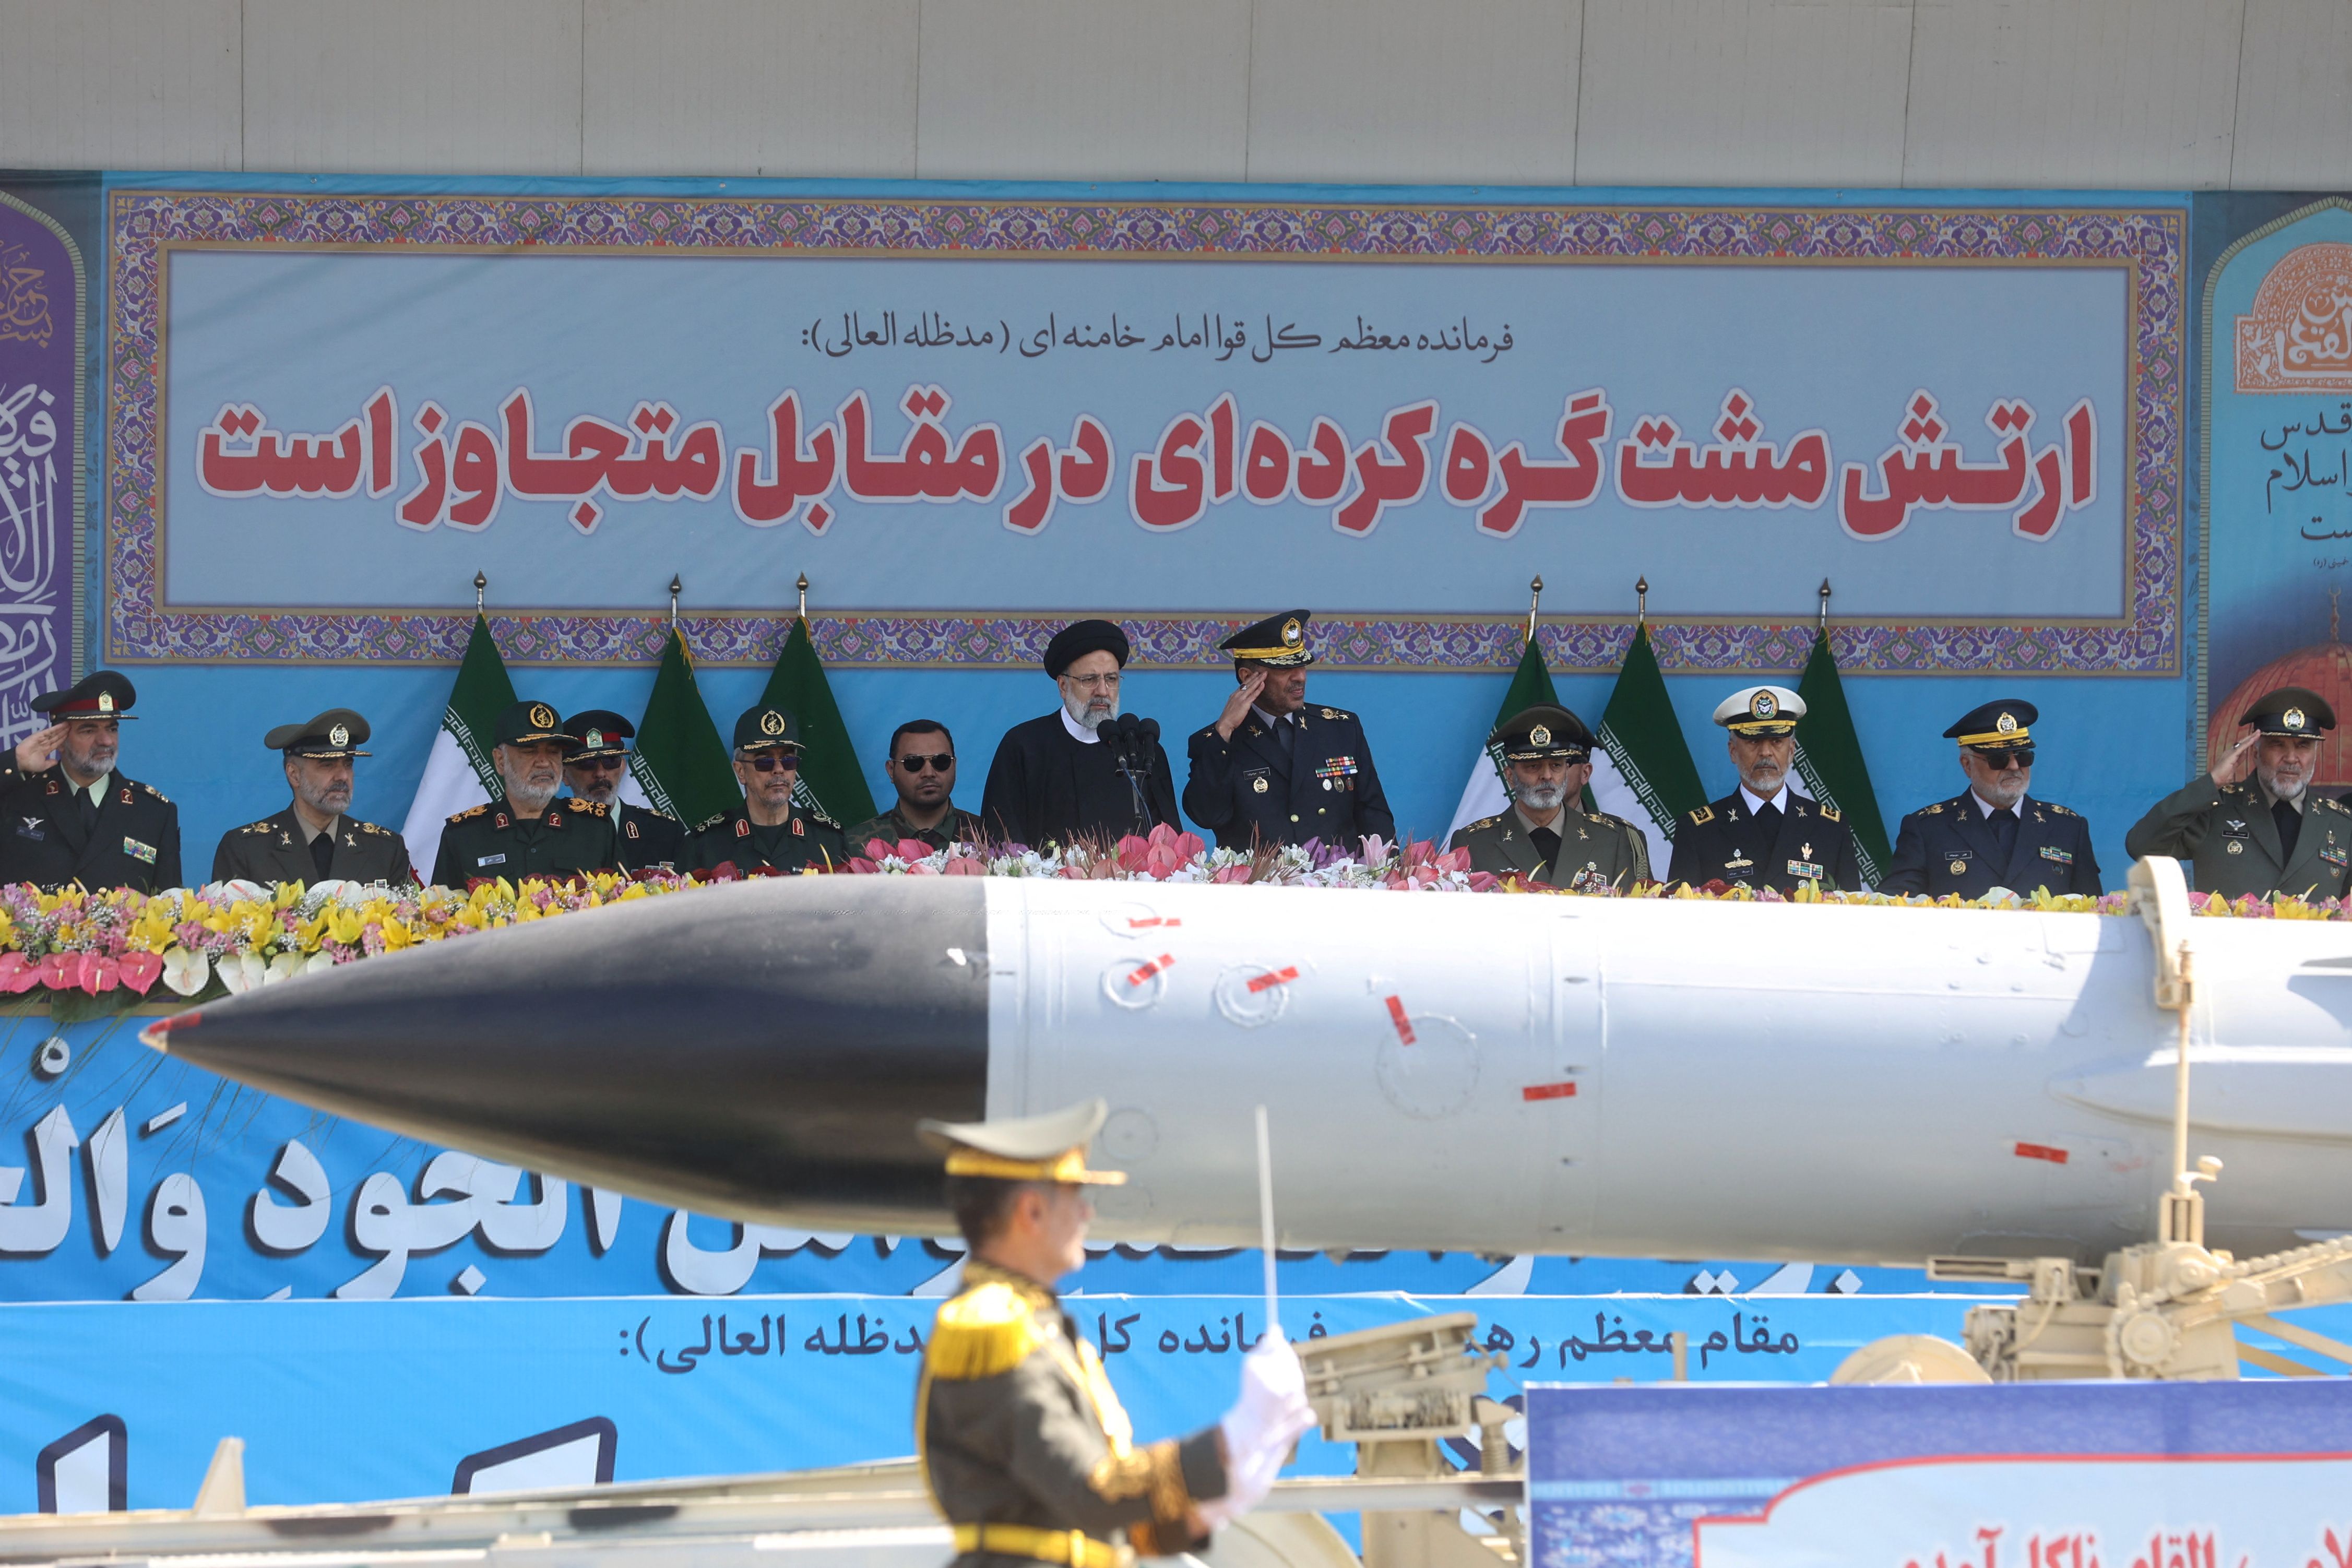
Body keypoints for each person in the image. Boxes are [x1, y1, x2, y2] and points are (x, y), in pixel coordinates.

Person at [915, 1099, 1314, 1566]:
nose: (1087, 1215)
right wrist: (1231, 1438)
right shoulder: (993, 1328)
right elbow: (1090, 1490)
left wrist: (1210, 1507)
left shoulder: (1038, 1326)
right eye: (1075, 1197)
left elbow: (1110, 1528)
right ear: (1032, 1212)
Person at [1183, 610, 1395, 852]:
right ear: (1248, 677)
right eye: (1285, 669)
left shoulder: (1342, 728)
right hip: (1261, 885)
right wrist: (1225, 730)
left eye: (1303, 666)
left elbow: (1373, 814)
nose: (1300, 677)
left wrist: (1387, 876)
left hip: (1335, 883)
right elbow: (1208, 816)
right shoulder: (1217, 741)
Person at [2125, 684, 2352, 900]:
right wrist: (2212, 783)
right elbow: (2142, 847)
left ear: (2316, 753)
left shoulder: (2341, 824)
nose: (2291, 758)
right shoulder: (2215, 809)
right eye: (2277, 744)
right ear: (2255, 751)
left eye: (2303, 745)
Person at [981, 619, 1178, 848]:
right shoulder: (1024, 746)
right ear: (1063, 686)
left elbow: (1169, 843)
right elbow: (1003, 837)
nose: (1103, 691)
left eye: (1111, 679)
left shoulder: (1142, 750)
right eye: (1090, 679)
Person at [1880, 700, 2099, 898]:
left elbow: (2093, 911)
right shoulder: (1927, 829)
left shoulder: (2068, 828)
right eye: (1999, 759)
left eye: (2023, 757)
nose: (2014, 767)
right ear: (1967, 765)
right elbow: (1897, 907)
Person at [1668, 685, 1862, 893]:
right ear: (1733, 751)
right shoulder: (1698, 831)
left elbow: (1852, 914)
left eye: (1777, 741)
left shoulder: (1831, 828)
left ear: (1792, 751)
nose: (1766, 752)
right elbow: (1680, 916)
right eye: (1754, 741)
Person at [0, 671, 180, 893]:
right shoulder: (17, 797)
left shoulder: (154, 812)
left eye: (112, 729)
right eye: (89, 729)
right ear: (59, 740)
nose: (105, 741)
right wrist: (15, 762)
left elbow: (168, 906)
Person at [1449, 702, 1649, 890]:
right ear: (1510, 776)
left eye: (1556, 765)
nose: (1547, 776)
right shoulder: (1473, 844)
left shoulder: (1615, 839)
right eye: (1533, 766)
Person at [212, 708, 414, 885]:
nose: (343, 776)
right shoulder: (246, 848)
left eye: (348, 764)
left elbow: (406, 924)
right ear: (294, 775)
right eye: (327, 765)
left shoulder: (384, 848)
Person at [431, 700, 621, 886]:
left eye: (553, 752)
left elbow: (623, 906)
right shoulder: (464, 835)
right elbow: (442, 911)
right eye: (530, 752)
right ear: (500, 761)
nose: (544, 763)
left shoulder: (596, 829)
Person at [687, 704, 847, 875]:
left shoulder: (830, 839)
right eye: (764, 762)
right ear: (741, 771)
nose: (779, 769)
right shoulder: (705, 844)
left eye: (788, 761)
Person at [561, 709, 687, 873]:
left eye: (610, 761)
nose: (600, 773)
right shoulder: (550, 834)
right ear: (564, 775)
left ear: (622, 768)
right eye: (587, 763)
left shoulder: (666, 832)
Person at [848, 720, 985, 854]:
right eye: (913, 763)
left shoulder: (989, 837)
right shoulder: (856, 845)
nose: (929, 773)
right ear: (891, 770)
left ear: (954, 765)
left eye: (941, 761)